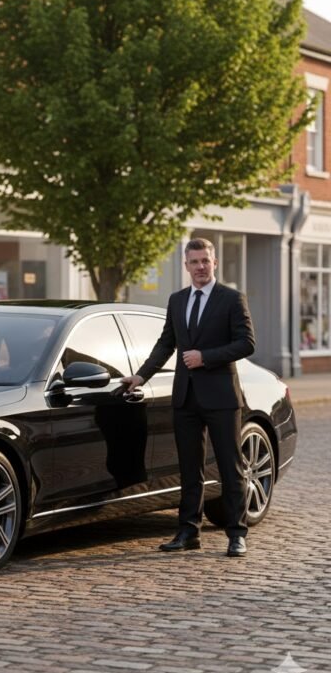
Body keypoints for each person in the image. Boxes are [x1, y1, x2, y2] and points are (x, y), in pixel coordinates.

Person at [121, 238, 256, 557]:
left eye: (205, 261)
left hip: (222, 397)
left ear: (215, 262)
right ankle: (188, 531)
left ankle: (236, 533)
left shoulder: (232, 299)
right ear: (186, 266)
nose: (200, 267)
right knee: (189, 467)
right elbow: (165, 343)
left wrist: (205, 357)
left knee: (229, 465)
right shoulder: (177, 300)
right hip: (186, 397)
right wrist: (141, 376)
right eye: (194, 262)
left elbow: (247, 343)